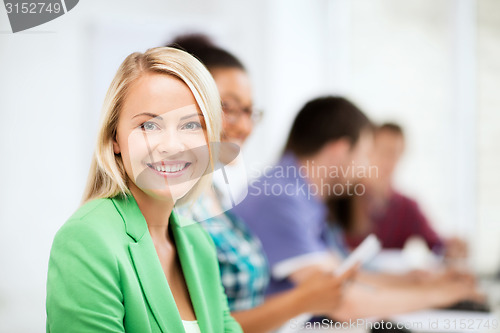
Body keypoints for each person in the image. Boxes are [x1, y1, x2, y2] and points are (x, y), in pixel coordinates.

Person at [46, 47, 242, 332]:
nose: (172, 146)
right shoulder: (85, 239)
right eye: (149, 125)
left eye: (191, 125)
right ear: (114, 137)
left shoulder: (197, 240)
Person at [169, 35, 355, 333]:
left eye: (250, 112)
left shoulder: (215, 193)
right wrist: (302, 300)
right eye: (228, 107)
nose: (244, 126)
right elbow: (200, 326)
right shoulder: (171, 208)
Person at [233, 96, 480, 320]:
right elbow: (340, 300)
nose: (364, 167)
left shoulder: (303, 197)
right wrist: (440, 295)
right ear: (340, 150)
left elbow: (341, 275)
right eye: (364, 154)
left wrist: (416, 281)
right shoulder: (280, 199)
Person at [342, 123, 467, 259]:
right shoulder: (342, 200)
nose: (389, 161)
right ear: (367, 151)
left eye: (396, 153)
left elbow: (437, 245)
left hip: (393, 279)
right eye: (384, 151)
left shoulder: (406, 206)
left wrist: (452, 247)